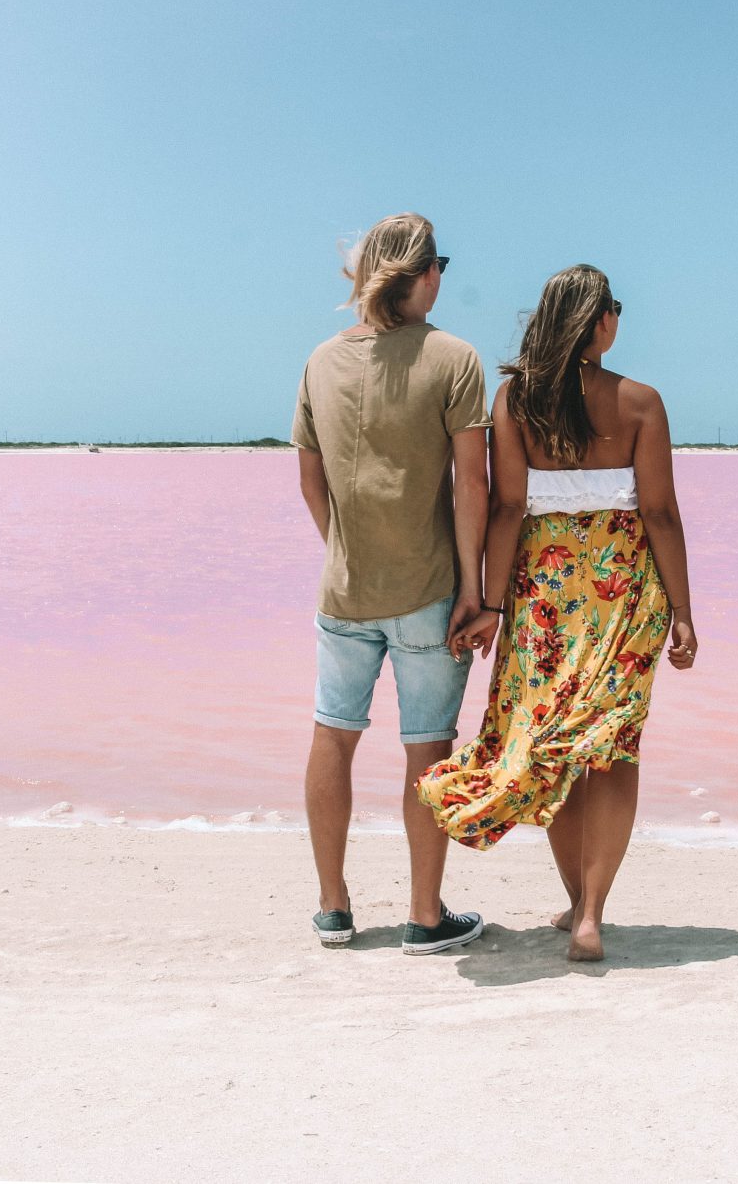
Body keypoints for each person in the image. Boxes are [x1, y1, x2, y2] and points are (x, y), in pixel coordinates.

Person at [417, 263, 697, 962]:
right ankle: (591, 914)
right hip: (626, 598)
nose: (618, 320)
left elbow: (508, 508)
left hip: (545, 599)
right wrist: (684, 614)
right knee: (611, 750)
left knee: (558, 750)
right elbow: (660, 512)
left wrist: (487, 601)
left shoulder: (515, 404)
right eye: (615, 308)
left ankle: (578, 902)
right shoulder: (642, 402)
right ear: (595, 319)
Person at [291, 212, 491, 956]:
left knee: (332, 735)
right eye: (439, 263)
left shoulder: (319, 360)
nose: (444, 276)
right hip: (430, 587)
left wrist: (346, 548)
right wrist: (475, 586)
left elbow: (309, 479)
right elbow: (474, 483)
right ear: (418, 273)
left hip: (344, 589)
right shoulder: (455, 358)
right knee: (427, 749)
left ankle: (334, 908)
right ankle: (423, 914)